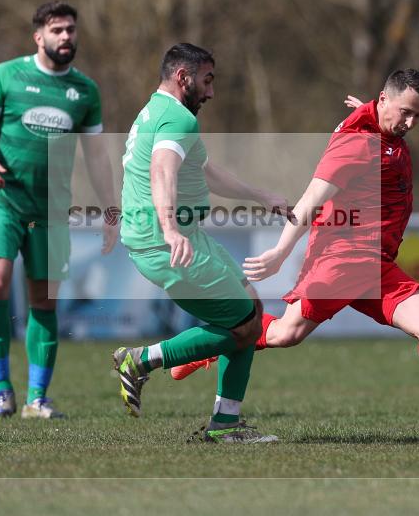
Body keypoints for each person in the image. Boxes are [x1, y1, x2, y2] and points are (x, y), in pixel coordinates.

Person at [171, 69, 419, 433]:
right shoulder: (356, 144)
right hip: (341, 262)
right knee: (285, 334)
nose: (411, 123)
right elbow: (310, 201)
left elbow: (372, 116)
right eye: (406, 112)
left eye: (418, 115)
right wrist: (280, 252)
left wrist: (369, 109)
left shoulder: (377, 118)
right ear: (384, 100)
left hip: (378, 265)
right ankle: (207, 346)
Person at [112, 43, 291, 443]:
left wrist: (262, 196)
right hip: (167, 242)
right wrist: (171, 228)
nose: (211, 92)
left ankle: (225, 424)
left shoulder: (157, 111)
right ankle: (142, 360)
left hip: (183, 237)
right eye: (207, 81)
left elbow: (204, 170)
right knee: (246, 326)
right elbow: (161, 170)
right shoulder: (177, 118)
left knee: (251, 310)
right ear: (183, 77)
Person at [0, 1, 119, 419]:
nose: (66, 37)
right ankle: (2, 390)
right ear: (39, 37)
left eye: (71, 29)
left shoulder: (84, 91)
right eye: (57, 30)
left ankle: (37, 398)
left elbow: (97, 157)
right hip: (2, 199)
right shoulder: (7, 76)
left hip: (50, 210)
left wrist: (111, 210)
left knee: (44, 301)